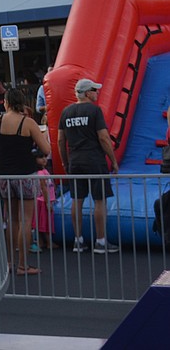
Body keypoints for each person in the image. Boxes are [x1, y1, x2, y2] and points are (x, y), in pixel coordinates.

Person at [0, 89, 50, 276]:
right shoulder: (28, 123)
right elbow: (46, 149)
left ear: (6, 102)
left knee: (11, 219)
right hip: (25, 174)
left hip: (4, 176)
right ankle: (23, 265)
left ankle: (9, 262)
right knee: (25, 220)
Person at [58, 78, 119, 254]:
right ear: (87, 93)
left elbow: (60, 140)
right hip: (94, 160)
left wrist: (65, 162)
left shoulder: (66, 112)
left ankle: (78, 240)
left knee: (77, 199)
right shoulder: (94, 111)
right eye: (94, 90)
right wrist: (113, 160)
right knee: (100, 200)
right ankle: (100, 241)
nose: (97, 93)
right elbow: (104, 137)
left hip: (75, 160)